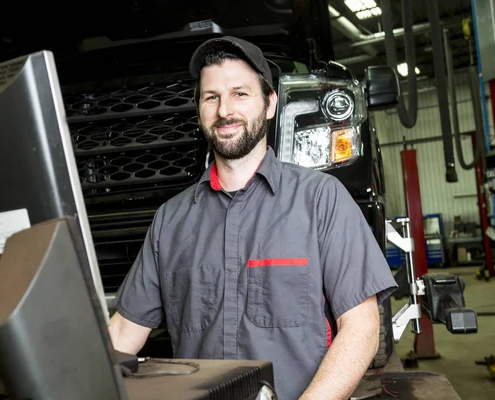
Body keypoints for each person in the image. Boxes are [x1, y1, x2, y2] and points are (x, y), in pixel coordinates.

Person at [108, 36, 398, 400]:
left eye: (240, 94)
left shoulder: (321, 199)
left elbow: (361, 329)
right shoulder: (171, 220)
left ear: (271, 103)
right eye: (211, 97)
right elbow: (122, 334)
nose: (225, 110)